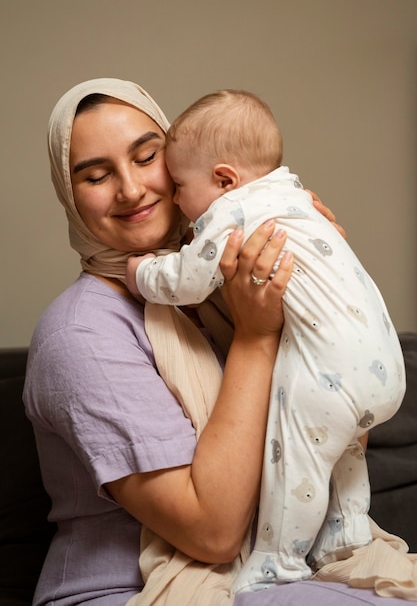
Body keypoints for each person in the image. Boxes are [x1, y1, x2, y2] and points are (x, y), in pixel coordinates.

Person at [22, 78, 406, 606]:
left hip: (272, 563)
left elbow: (334, 438)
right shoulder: (81, 334)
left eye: (147, 156)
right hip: (129, 587)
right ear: (70, 195)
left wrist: (322, 294)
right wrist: (257, 335)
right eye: (96, 174)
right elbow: (213, 533)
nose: (131, 190)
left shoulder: (229, 276)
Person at [125, 89, 406, 594]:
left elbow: (189, 278)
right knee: (338, 452)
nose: (174, 198)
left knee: (293, 455)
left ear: (225, 180)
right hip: (384, 368)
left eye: (179, 185)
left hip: (330, 374)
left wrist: (143, 273)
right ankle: (346, 531)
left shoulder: (232, 214)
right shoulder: (300, 202)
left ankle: (280, 560)